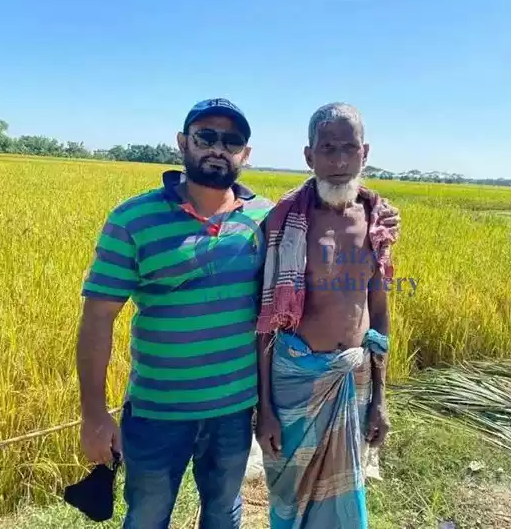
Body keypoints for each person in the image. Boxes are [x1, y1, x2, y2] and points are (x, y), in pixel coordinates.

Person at [75, 98, 401, 529]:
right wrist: (95, 414)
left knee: (224, 512)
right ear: (182, 143)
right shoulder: (134, 219)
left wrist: (376, 209)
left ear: (245, 154)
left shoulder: (267, 217)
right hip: (157, 410)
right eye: (205, 137)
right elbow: (98, 317)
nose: (218, 148)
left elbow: (355, 292)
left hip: (232, 410)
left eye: (231, 141)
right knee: (148, 515)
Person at [255, 102, 396, 529]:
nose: (338, 161)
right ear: (308, 155)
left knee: (342, 502)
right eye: (327, 148)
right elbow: (264, 321)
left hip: (353, 379)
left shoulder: (377, 222)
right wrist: (265, 409)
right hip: (293, 379)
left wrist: (380, 399)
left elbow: (380, 315)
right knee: (290, 496)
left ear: (364, 152)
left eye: (348, 148)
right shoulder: (282, 221)